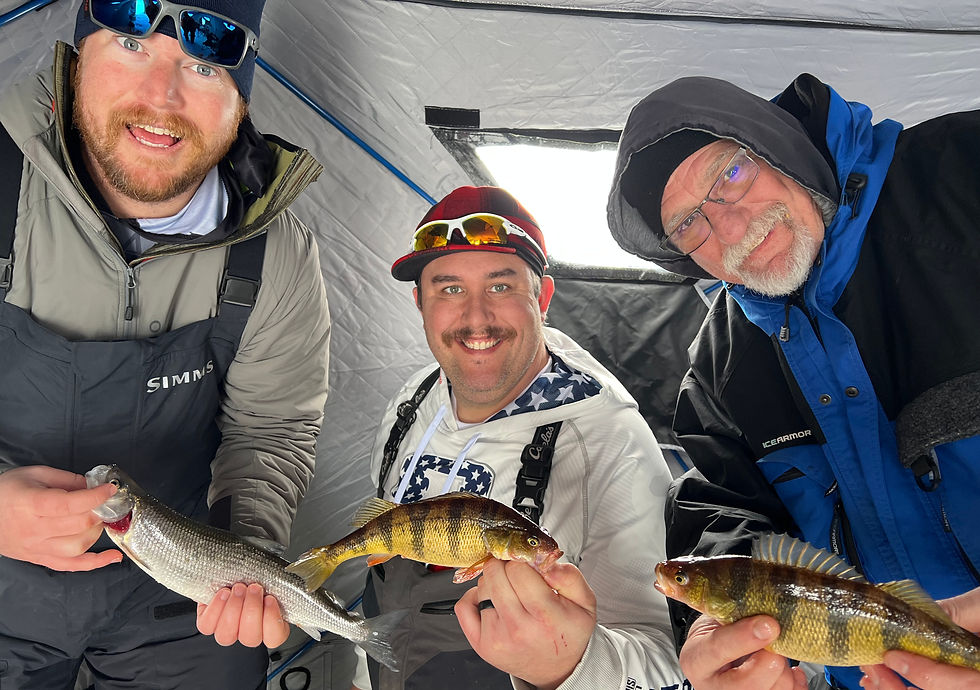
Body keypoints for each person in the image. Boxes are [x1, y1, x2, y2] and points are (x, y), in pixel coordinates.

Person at [606, 73, 980, 690]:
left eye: (729, 174)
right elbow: (722, 508)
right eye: (688, 226)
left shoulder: (963, 174)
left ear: (777, 143)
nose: (728, 230)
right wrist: (727, 644)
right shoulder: (717, 365)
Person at [0, 1, 330, 687]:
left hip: (180, 599)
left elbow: (271, 431)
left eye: (203, 64)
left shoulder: (276, 253)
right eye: (129, 41)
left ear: (240, 99)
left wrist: (251, 562)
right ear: (76, 55)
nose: (160, 98)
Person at [349, 185, 687, 690]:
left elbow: (669, 667)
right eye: (449, 288)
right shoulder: (412, 402)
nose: (476, 317)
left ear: (543, 297)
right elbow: (386, 577)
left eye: (501, 286)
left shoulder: (609, 443)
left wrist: (568, 667)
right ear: (420, 302)